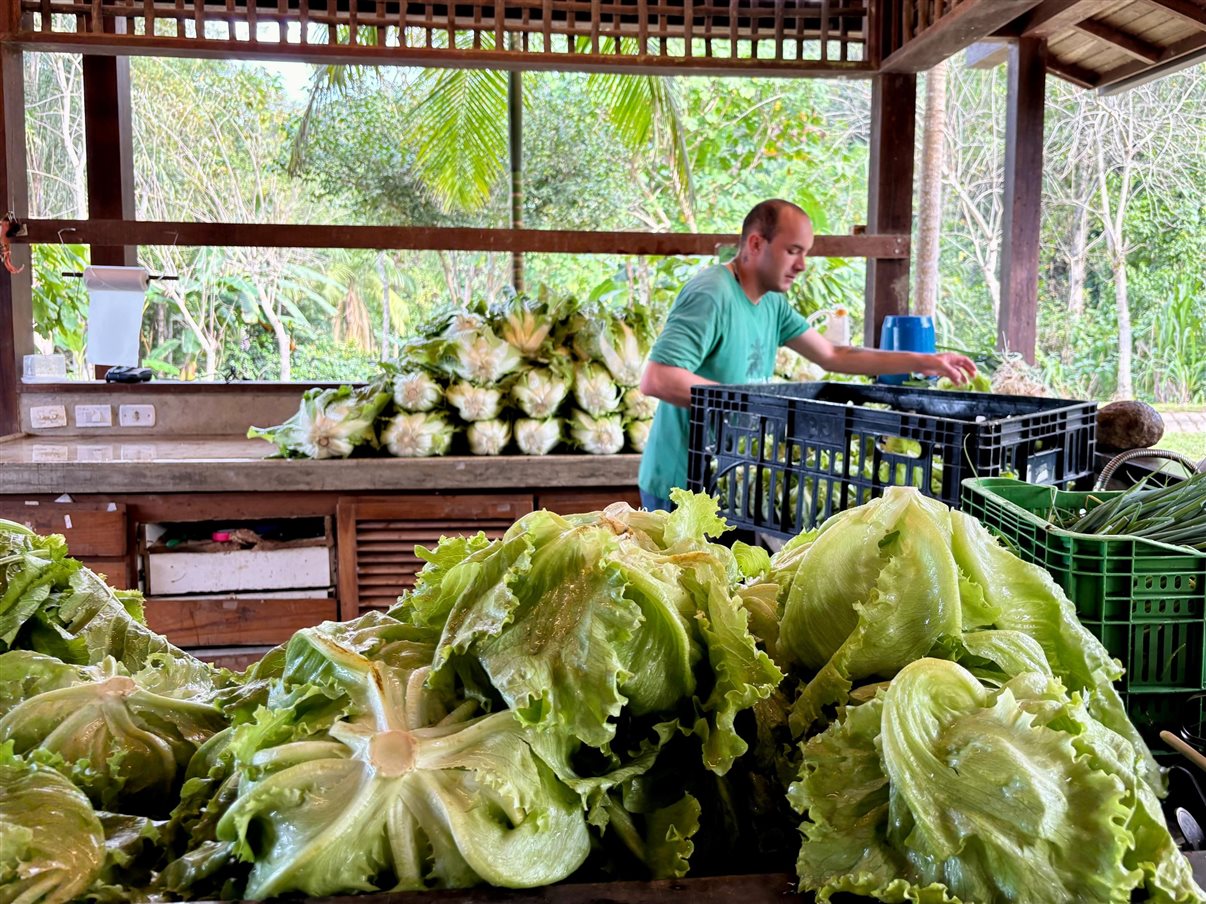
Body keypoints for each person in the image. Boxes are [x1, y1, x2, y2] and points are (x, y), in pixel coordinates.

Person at [637, 198, 977, 513]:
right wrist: (752, 404)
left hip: (725, 480)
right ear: (756, 244)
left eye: (805, 253)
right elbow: (658, 378)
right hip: (679, 483)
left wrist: (927, 361)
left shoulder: (771, 303)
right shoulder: (712, 294)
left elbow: (833, 355)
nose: (801, 265)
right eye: (793, 251)